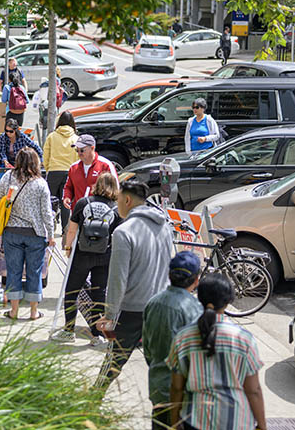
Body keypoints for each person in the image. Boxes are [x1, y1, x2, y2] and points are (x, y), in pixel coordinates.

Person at [93, 179, 174, 390]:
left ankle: (91, 403)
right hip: (161, 307)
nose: (116, 203)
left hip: (132, 310)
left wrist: (109, 315)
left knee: (113, 362)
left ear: (127, 200)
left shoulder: (123, 232)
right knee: (161, 367)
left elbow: (117, 279)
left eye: (118, 198)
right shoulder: (164, 226)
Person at [167, 273, 267, 430]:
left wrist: (174, 422)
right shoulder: (244, 339)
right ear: (228, 301)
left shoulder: (183, 337)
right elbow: (253, 390)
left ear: (199, 298)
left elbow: (176, 387)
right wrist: (262, 426)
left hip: (195, 420)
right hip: (237, 422)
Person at [53, 172, 121, 346]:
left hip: (82, 254)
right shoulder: (116, 208)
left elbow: (72, 230)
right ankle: (96, 334)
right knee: (98, 294)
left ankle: (69, 330)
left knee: (72, 291)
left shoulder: (84, 203)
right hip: (104, 256)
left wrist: (68, 247)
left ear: (97, 184)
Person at [142, 251, 204, 430]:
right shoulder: (194, 310)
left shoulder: (152, 303)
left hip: (158, 385)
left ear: (169, 275)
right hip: (184, 394)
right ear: (196, 280)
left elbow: (147, 348)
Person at [0, 148, 55, 320]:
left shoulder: (8, 177)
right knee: (34, 272)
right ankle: (34, 312)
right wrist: (50, 235)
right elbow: (46, 212)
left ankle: (14, 311)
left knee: (13, 271)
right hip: (35, 233)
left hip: (11, 231)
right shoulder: (40, 183)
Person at [43, 110, 78, 241]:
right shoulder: (75, 138)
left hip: (53, 171)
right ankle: (64, 230)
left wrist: (48, 169)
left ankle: (49, 229)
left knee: (50, 202)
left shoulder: (52, 136)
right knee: (65, 202)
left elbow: (45, 155)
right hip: (68, 173)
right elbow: (77, 159)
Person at [62, 134, 118, 212]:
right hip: (78, 213)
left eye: (82, 150)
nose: (79, 153)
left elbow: (115, 189)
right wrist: (67, 197)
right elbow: (68, 187)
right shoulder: (73, 167)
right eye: (77, 150)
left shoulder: (106, 165)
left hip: (100, 213)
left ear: (92, 148)